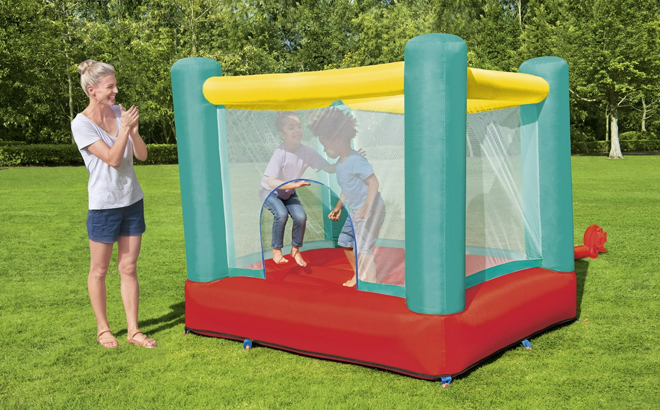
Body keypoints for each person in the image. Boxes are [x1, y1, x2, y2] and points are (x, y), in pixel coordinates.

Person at [71, 59, 156, 349]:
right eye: (110, 87)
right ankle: (103, 329)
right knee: (99, 270)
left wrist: (132, 130)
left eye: (115, 85)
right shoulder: (81, 124)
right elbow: (112, 158)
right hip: (104, 206)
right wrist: (123, 131)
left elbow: (142, 155)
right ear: (92, 90)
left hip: (132, 200)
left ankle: (133, 330)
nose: (116, 91)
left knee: (129, 267)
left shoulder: (122, 115)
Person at [310, 108, 386, 287]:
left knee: (362, 245)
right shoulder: (341, 163)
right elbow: (347, 189)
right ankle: (359, 273)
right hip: (355, 212)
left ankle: (372, 282)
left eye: (326, 145)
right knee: (345, 242)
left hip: (371, 210)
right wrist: (338, 207)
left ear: (337, 140)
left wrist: (367, 206)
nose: (324, 150)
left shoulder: (356, 160)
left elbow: (374, 183)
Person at [259, 111, 335, 267]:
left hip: (288, 192)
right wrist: (293, 185)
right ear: (282, 134)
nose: (297, 130)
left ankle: (295, 250)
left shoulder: (308, 152)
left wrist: (347, 159)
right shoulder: (280, 153)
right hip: (270, 192)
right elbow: (271, 181)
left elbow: (330, 168)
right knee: (281, 214)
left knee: (300, 217)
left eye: (299, 126)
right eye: (291, 127)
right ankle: (277, 250)